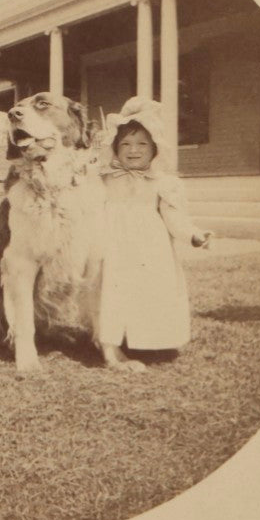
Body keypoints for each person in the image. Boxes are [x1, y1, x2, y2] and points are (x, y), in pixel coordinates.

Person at [98, 97, 211, 371]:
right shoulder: (105, 178)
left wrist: (192, 235)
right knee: (113, 289)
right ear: (114, 148)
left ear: (155, 149)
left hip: (150, 247)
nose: (133, 150)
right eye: (125, 144)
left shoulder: (163, 182)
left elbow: (175, 217)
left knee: (149, 290)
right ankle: (112, 341)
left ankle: (151, 338)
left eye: (142, 144)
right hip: (113, 244)